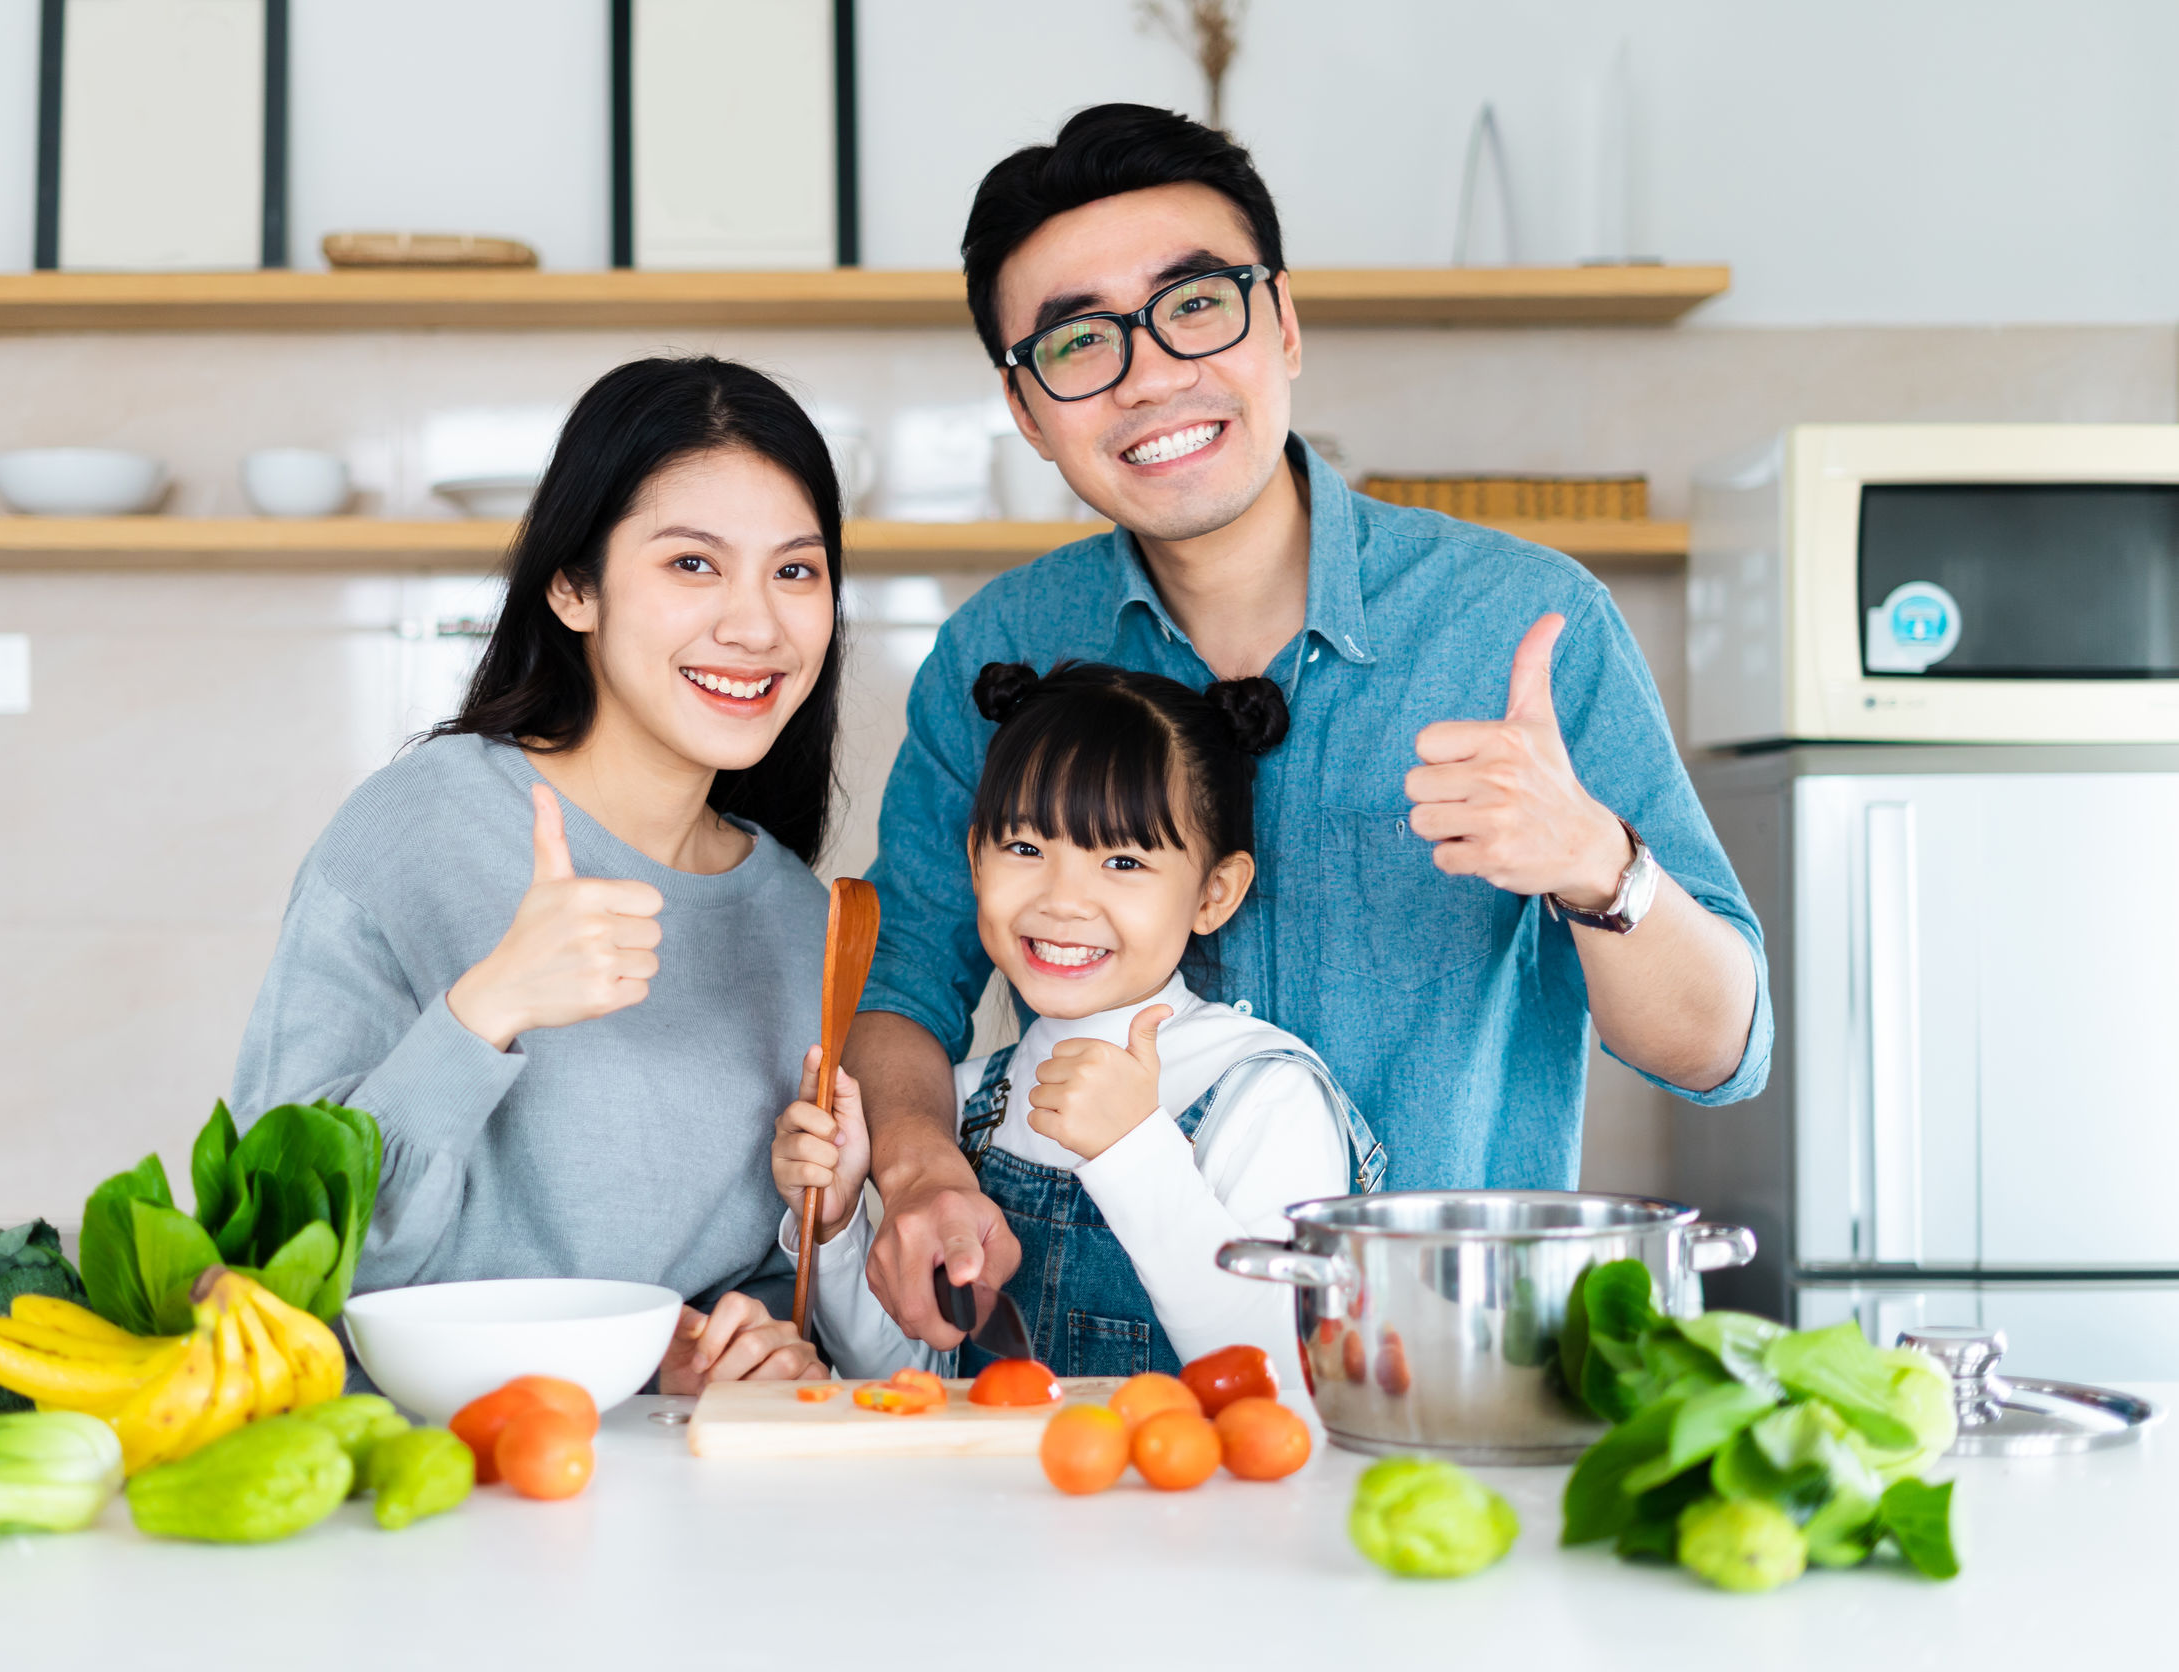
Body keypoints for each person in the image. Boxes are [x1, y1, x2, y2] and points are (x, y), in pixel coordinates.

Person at [850, 104, 1773, 1353]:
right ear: (1025, 409)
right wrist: (919, 1170)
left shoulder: (1520, 621)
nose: (1150, 375)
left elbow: (1718, 1048)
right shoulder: (997, 646)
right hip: (1086, 1414)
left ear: (1282, 322)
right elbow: (904, 983)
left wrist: (1597, 866)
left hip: (1450, 1375)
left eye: (1195, 304)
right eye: (1077, 341)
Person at [233, 355, 843, 1391]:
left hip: (665, 1472)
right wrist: (488, 1008)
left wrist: (752, 1338)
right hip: (413, 1461)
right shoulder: (417, 825)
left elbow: (744, 1266)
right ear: (573, 587)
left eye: (796, 571)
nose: (755, 625)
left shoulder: (798, 917)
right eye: (693, 564)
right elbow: (271, 1246)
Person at [774, 660, 1380, 1382]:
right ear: (975, 860)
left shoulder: (1265, 1095)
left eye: (1122, 862)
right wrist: (836, 1227)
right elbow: (919, 1379)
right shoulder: (966, 1103)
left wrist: (1134, 1150)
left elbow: (1289, 1377)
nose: (1062, 901)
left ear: (1214, 893)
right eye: (1026, 849)